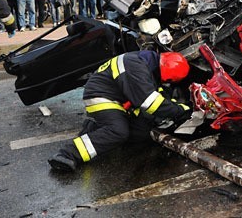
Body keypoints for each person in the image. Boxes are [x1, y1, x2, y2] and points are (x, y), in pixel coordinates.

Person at [48, 50, 192, 171]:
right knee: (118, 131)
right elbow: (151, 103)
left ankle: (96, 127)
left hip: (117, 99)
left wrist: (175, 107)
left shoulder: (146, 62)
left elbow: (158, 94)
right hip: (101, 96)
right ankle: (68, 154)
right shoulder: (136, 67)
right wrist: (181, 111)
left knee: (141, 132)